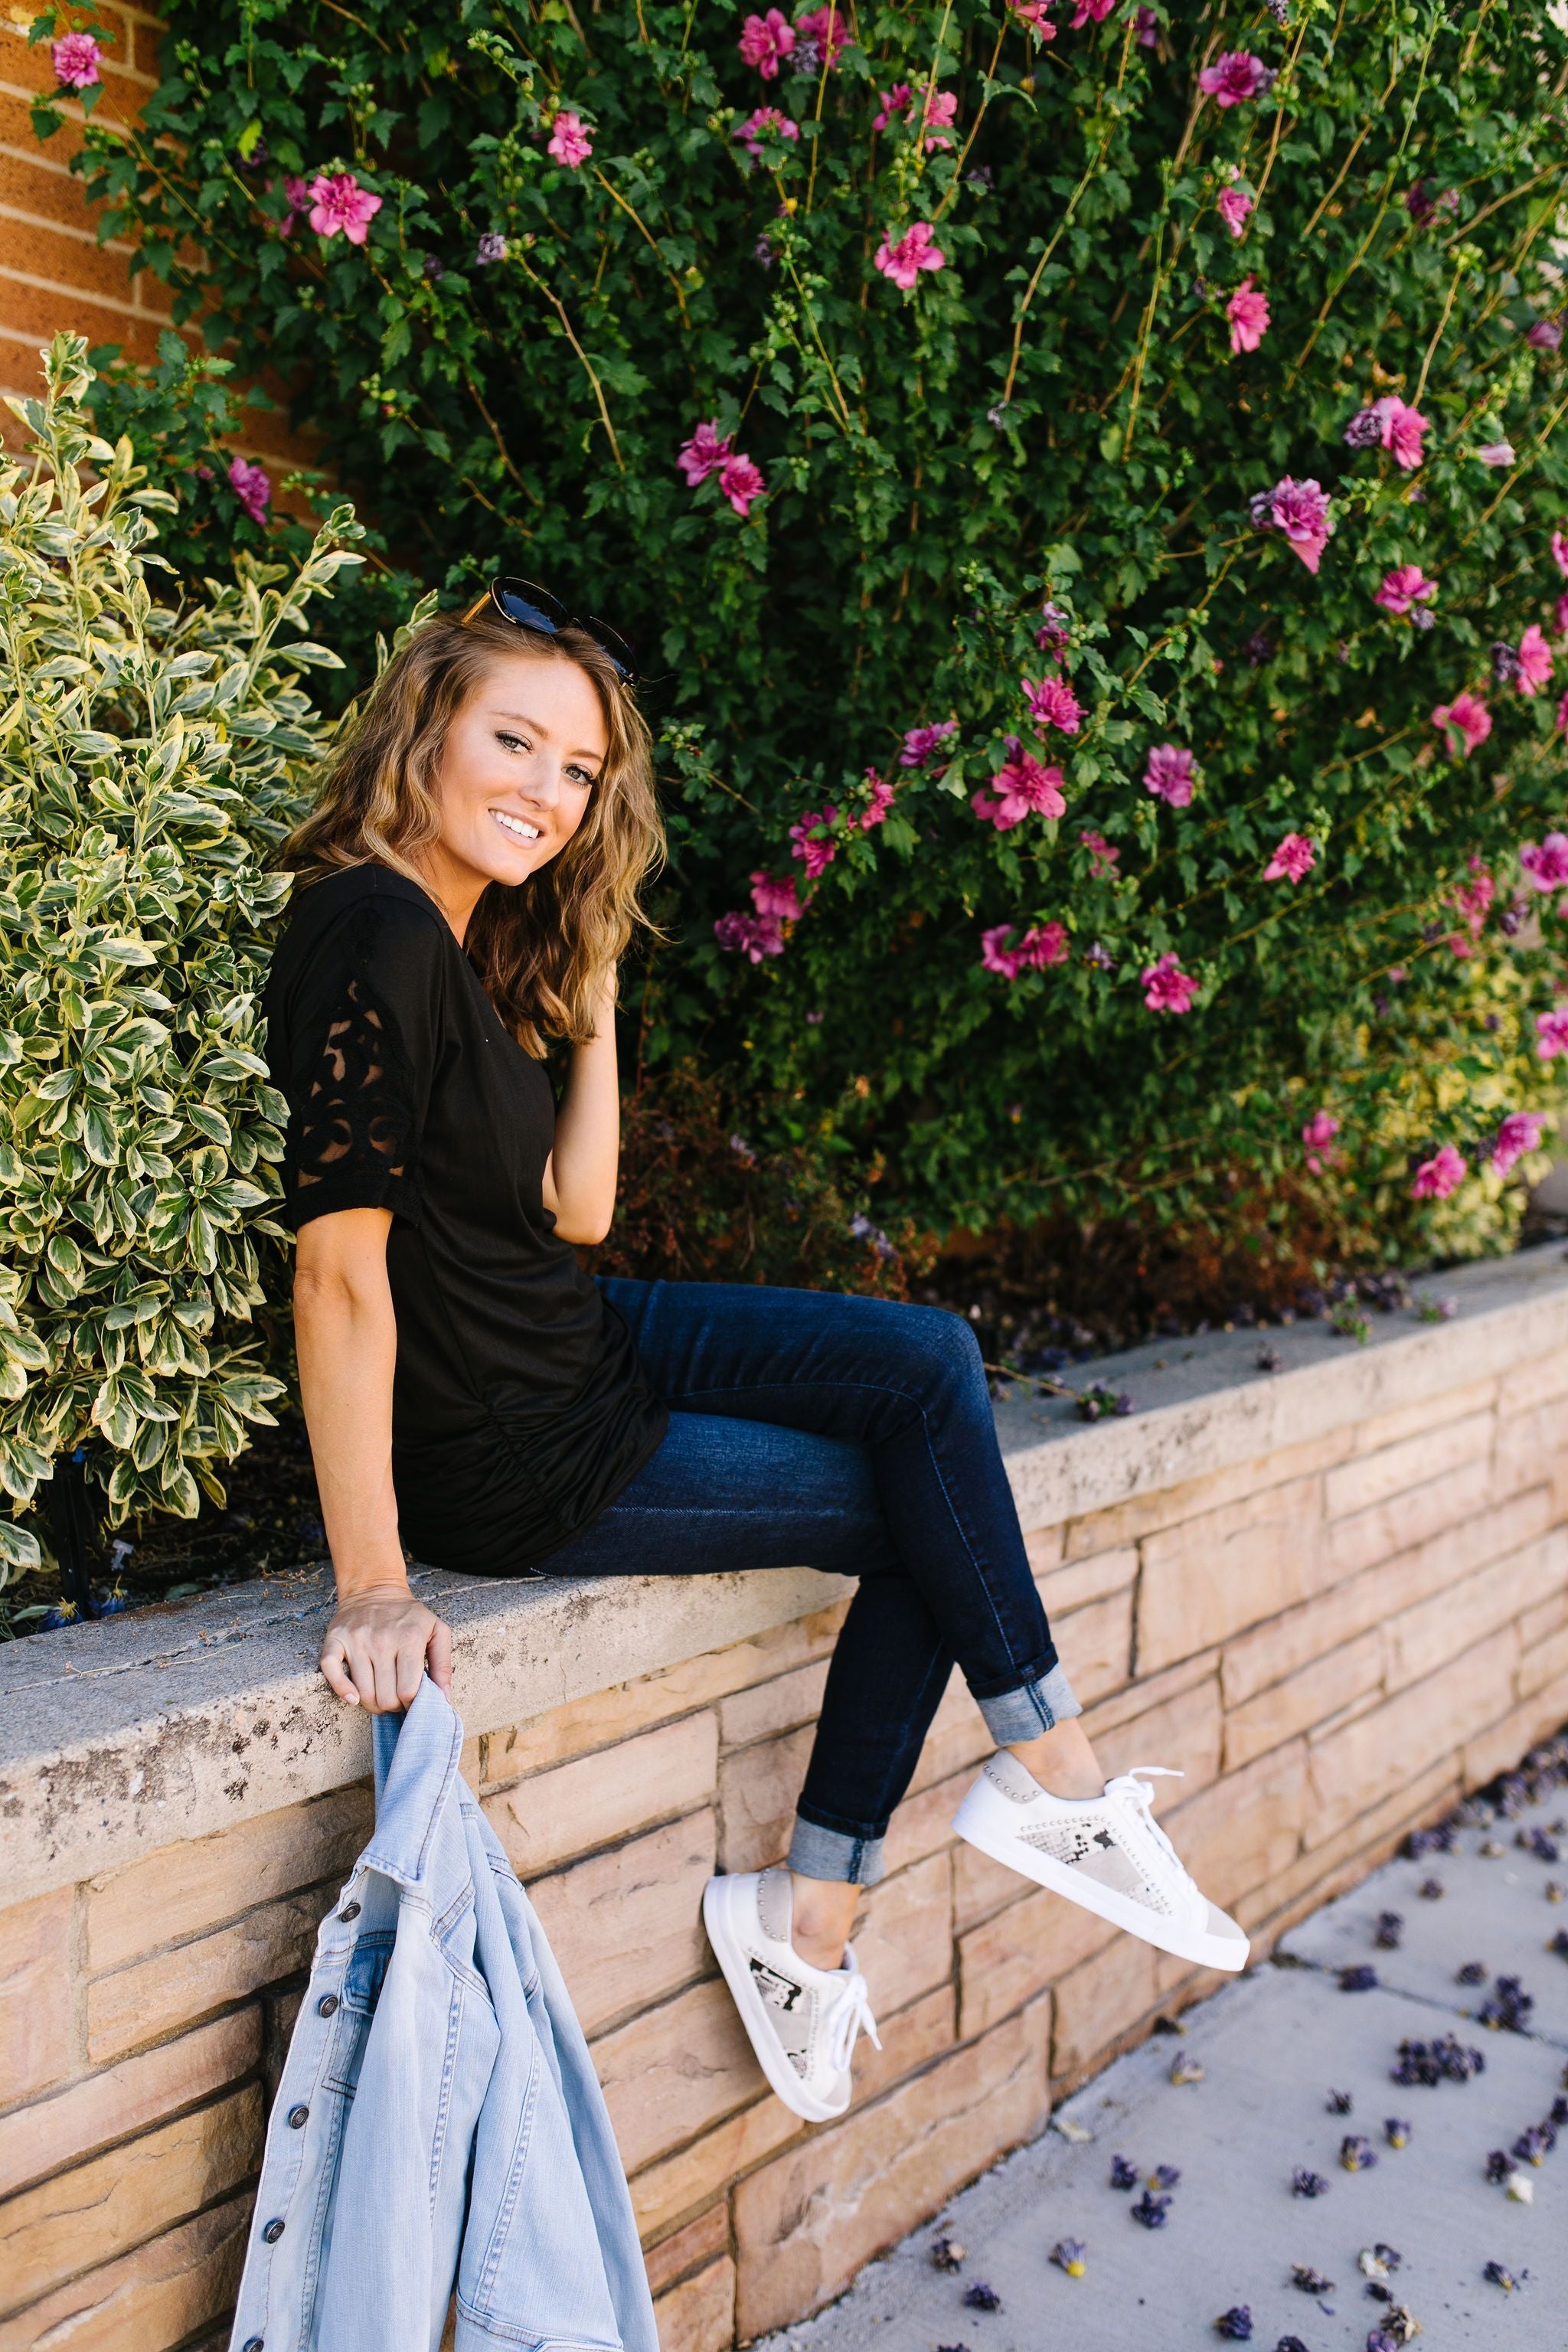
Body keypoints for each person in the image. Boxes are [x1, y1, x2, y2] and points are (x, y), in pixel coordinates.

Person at [269, 580, 1247, 2132]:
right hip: (517, 1444)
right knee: (917, 1515)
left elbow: (571, 1212)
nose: (546, 791)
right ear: (423, 735)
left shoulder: (454, 935)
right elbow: (337, 1275)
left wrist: (588, 993)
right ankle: (881, 1879)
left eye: (578, 770)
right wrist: (373, 1578)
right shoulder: (369, 931)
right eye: (513, 743)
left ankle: (1004, 1807)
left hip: (577, 1337)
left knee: (928, 1367)